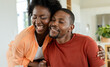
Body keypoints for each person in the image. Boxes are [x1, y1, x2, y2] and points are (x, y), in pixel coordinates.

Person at [6, 0, 61, 67]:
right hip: (17, 58)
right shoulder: (23, 39)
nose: (37, 22)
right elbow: (15, 60)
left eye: (43, 17)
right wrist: (37, 65)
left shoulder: (54, 34)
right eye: (34, 17)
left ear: (52, 18)